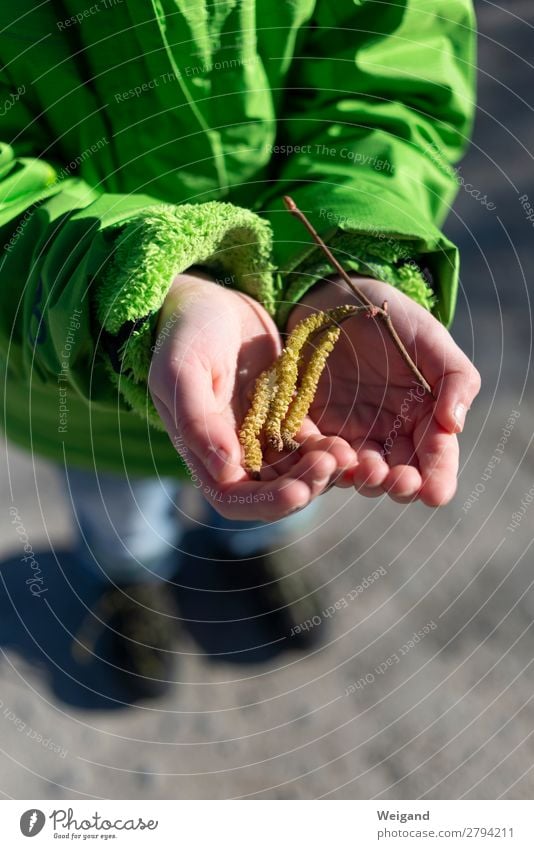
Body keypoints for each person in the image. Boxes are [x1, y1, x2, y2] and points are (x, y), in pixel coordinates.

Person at [0, 0, 481, 700]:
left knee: (289, 473)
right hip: (72, 380)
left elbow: (394, 82)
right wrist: (146, 285)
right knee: (120, 511)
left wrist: (357, 258)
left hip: (284, 354)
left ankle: (253, 547)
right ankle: (133, 582)